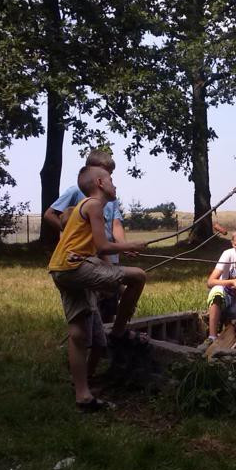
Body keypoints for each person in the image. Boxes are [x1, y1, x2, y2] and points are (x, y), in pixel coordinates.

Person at [48, 165, 147, 412]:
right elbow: (103, 246)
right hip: (76, 268)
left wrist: (117, 257)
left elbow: (89, 245)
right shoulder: (94, 205)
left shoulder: (84, 206)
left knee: (78, 333)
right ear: (101, 183)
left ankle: (83, 396)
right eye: (111, 180)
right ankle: (119, 331)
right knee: (138, 276)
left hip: (60, 269)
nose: (115, 184)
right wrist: (131, 245)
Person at [44, 148, 126, 322]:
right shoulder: (76, 191)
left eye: (110, 173)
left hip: (108, 254)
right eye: (106, 172)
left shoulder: (111, 197)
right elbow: (50, 214)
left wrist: (123, 245)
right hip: (86, 258)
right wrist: (69, 230)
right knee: (91, 302)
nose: (109, 176)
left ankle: (110, 332)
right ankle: (96, 330)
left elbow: (116, 224)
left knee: (110, 302)